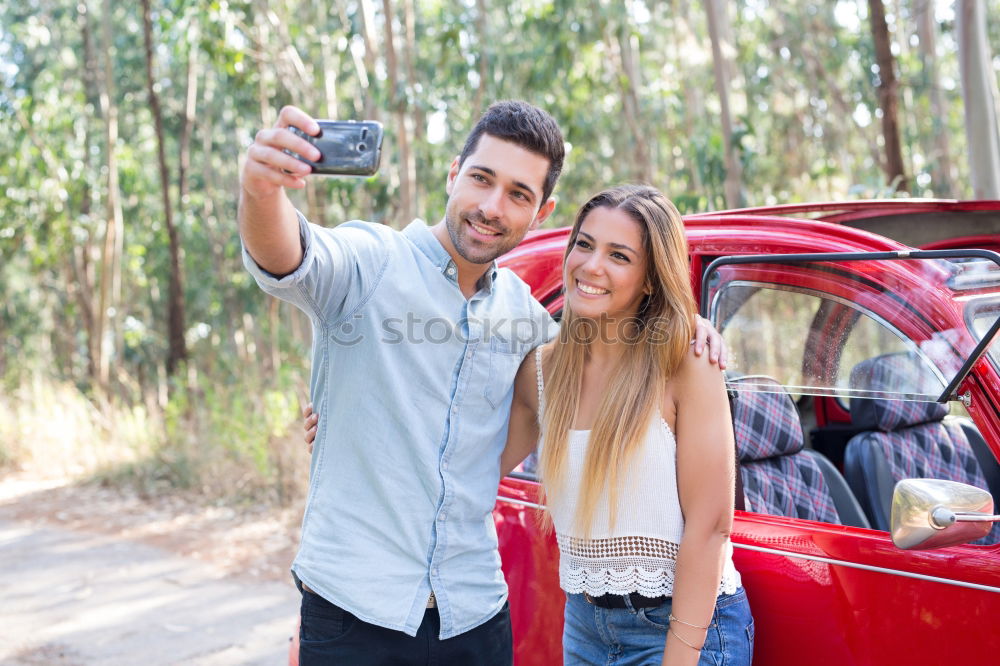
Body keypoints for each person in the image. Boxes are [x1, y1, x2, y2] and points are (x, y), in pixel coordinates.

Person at [242, 100, 725, 665]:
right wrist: (261, 190)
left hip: (472, 616)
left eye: (518, 194)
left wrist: (686, 320)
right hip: (353, 610)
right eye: (481, 179)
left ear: (540, 212)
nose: (492, 207)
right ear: (454, 174)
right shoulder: (369, 263)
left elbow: (605, 345)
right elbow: (285, 254)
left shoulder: (527, 319)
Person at [499, 185, 753, 666]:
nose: (592, 266)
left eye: (619, 255)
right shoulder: (543, 370)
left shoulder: (686, 363)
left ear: (651, 279)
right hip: (585, 626)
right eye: (585, 244)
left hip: (683, 626)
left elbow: (711, 527)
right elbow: (468, 461)